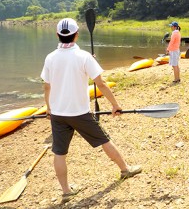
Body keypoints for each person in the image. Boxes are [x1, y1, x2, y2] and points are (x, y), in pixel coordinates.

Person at [41, 18, 142, 201]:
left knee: (59, 152)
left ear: (57, 35)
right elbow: (101, 83)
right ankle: (125, 170)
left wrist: (48, 108)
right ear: (77, 35)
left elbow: (47, 86)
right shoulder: (84, 56)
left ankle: (66, 191)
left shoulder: (50, 57)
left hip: (58, 114)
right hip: (79, 113)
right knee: (104, 139)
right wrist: (115, 105)